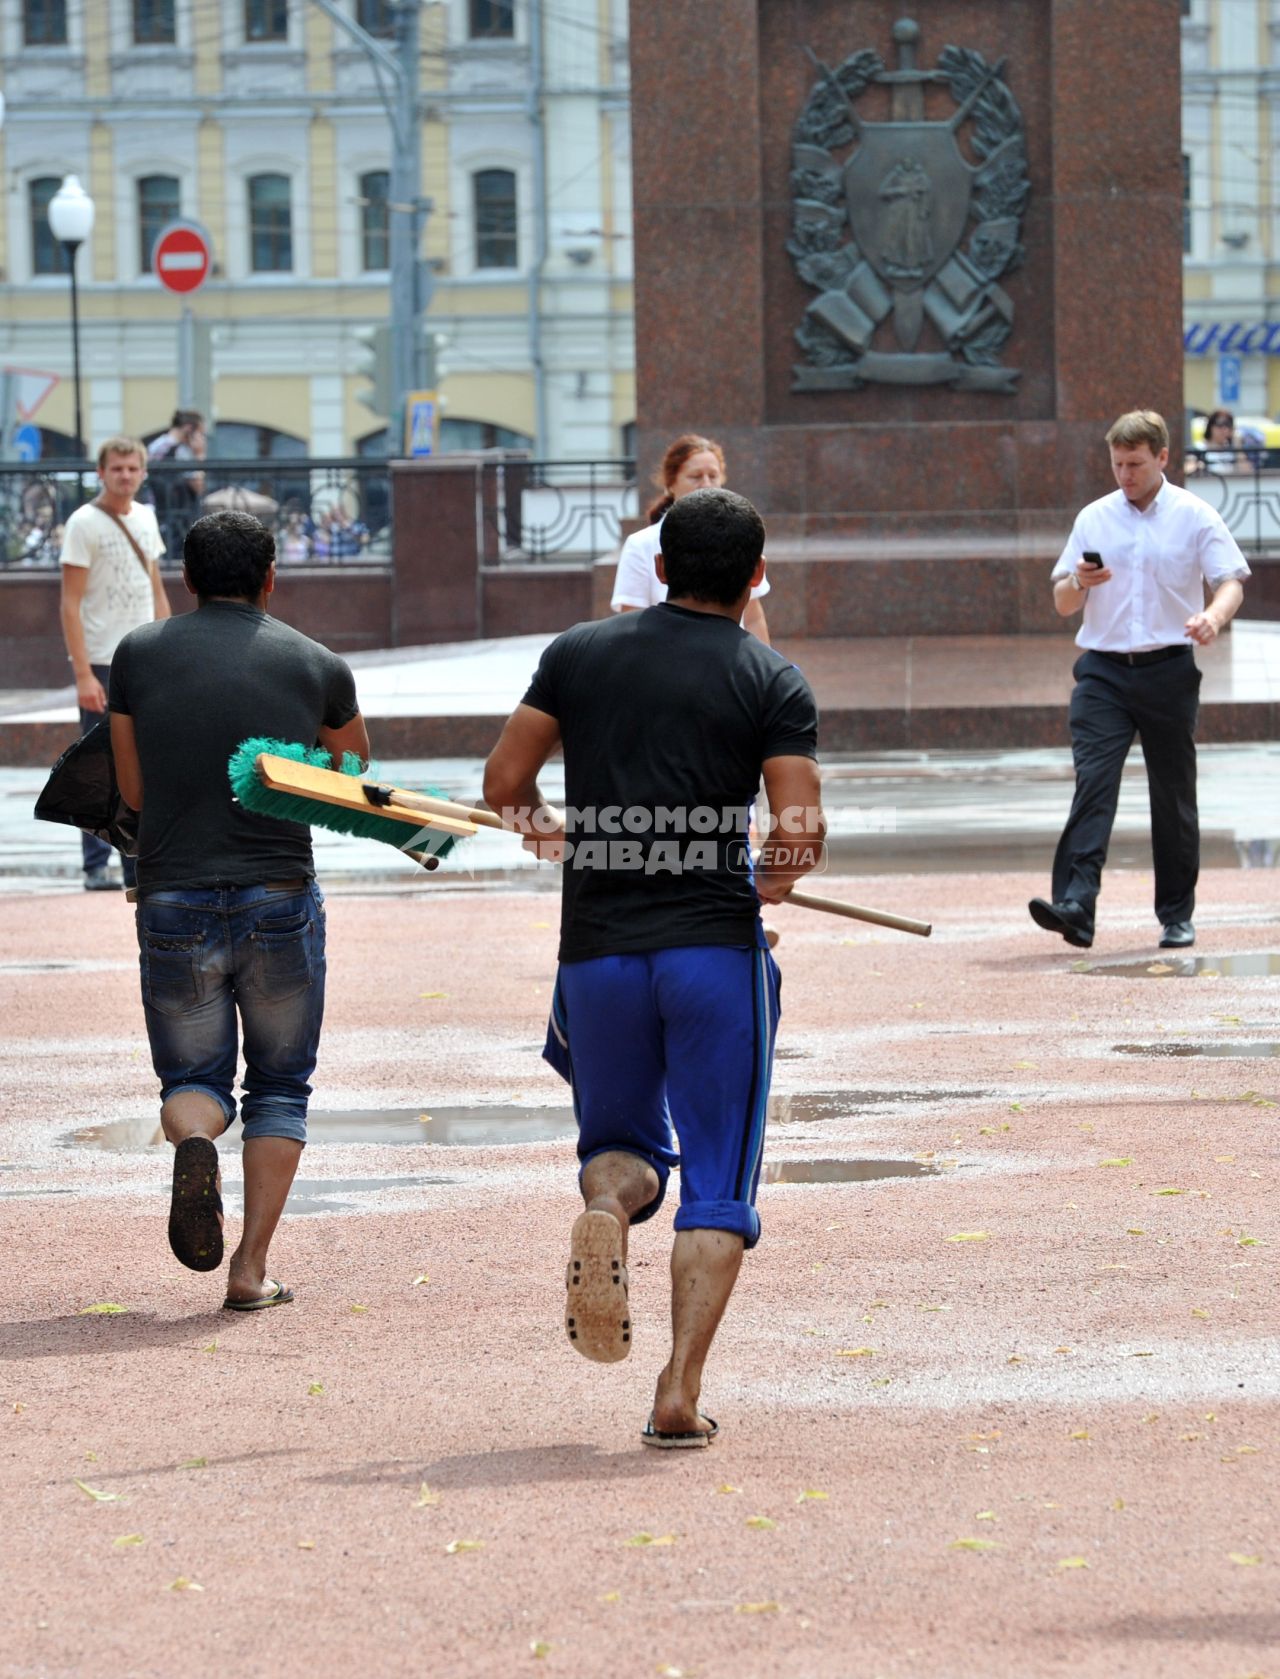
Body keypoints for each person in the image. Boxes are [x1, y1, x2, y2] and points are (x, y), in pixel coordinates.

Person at [484, 487, 825, 1447]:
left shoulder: (579, 653)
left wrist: (548, 836)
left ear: (661, 567)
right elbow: (798, 836)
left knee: (624, 1145)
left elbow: (505, 783)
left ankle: (608, 1203)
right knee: (719, 1175)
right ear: (756, 576)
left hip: (595, 954)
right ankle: (676, 1388)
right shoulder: (772, 677)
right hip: (713, 952)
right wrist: (771, 879)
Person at [108, 510, 370, 1310]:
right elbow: (351, 779)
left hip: (172, 890)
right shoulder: (315, 663)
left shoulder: (138, 654)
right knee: (281, 1086)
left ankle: (194, 1141)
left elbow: (132, 793)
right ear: (271, 577)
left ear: (186, 578)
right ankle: (250, 1270)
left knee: (193, 1077)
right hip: (279, 892)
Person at [1029, 410, 1250, 952]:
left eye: (1134, 463)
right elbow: (1061, 602)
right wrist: (1078, 581)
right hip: (1103, 671)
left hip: (1169, 668)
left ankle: (1176, 914)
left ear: (1163, 458)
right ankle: (1077, 907)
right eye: (1117, 464)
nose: (1124, 474)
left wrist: (1213, 619)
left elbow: (1230, 581)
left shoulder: (1195, 516)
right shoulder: (1094, 518)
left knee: (1171, 794)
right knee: (1094, 783)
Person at [59, 436, 170, 890]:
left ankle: (134, 862)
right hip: (104, 661)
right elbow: (70, 604)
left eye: (132, 468)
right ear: (101, 473)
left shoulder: (145, 518)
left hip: (145, 655)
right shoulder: (83, 523)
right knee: (98, 762)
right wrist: (82, 673)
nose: (125, 475)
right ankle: (94, 864)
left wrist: (169, 646)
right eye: (117, 468)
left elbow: (155, 587)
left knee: (143, 762)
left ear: (143, 472)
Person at [611, 435, 772, 643]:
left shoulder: (740, 536)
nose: (706, 485)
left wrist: (764, 671)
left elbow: (753, 617)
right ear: (671, 483)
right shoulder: (641, 545)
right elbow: (632, 623)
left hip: (731, 662)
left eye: (713, 476)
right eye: (695, 476)